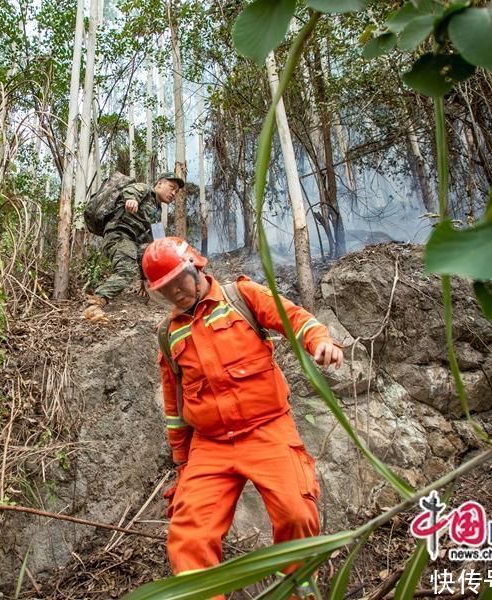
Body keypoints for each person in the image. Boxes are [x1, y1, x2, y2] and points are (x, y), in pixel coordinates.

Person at [142, 237, 344, 599]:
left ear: (196, 268)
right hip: (210, 445)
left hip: (267, 428)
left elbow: (294, 317)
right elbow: (175, 407)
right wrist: (182, 463)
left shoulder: (242, 297)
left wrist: (319, 341)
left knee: (297, 514)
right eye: (165, 291)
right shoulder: (168, 335)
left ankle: (294, 592)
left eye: (178, 283)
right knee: (189, 538)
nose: (175, 295)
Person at [83, 173, 185, 324]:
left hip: (131, 241)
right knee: (127, 271)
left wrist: (145, 279)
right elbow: (130, 191)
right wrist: (131, 200)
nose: (173, 193)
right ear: (159, 184)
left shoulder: (157, 212)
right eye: (172, 188)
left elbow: (154, 242)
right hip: (118, 235)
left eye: (176, 192)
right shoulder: (144, 190)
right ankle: (95, 303)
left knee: (152, 250)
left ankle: (160, 294)